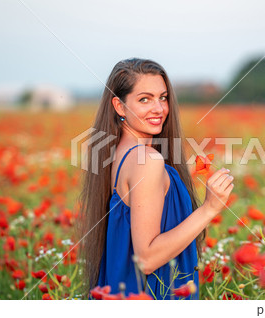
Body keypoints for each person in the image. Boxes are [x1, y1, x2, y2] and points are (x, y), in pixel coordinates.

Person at [78, 58, 234, 300]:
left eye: (162, 97)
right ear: (119, 107)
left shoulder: (116, 154)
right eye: (144, 99)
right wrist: (210, 208)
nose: (159, 108)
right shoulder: (147, 160)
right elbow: (147, 259)